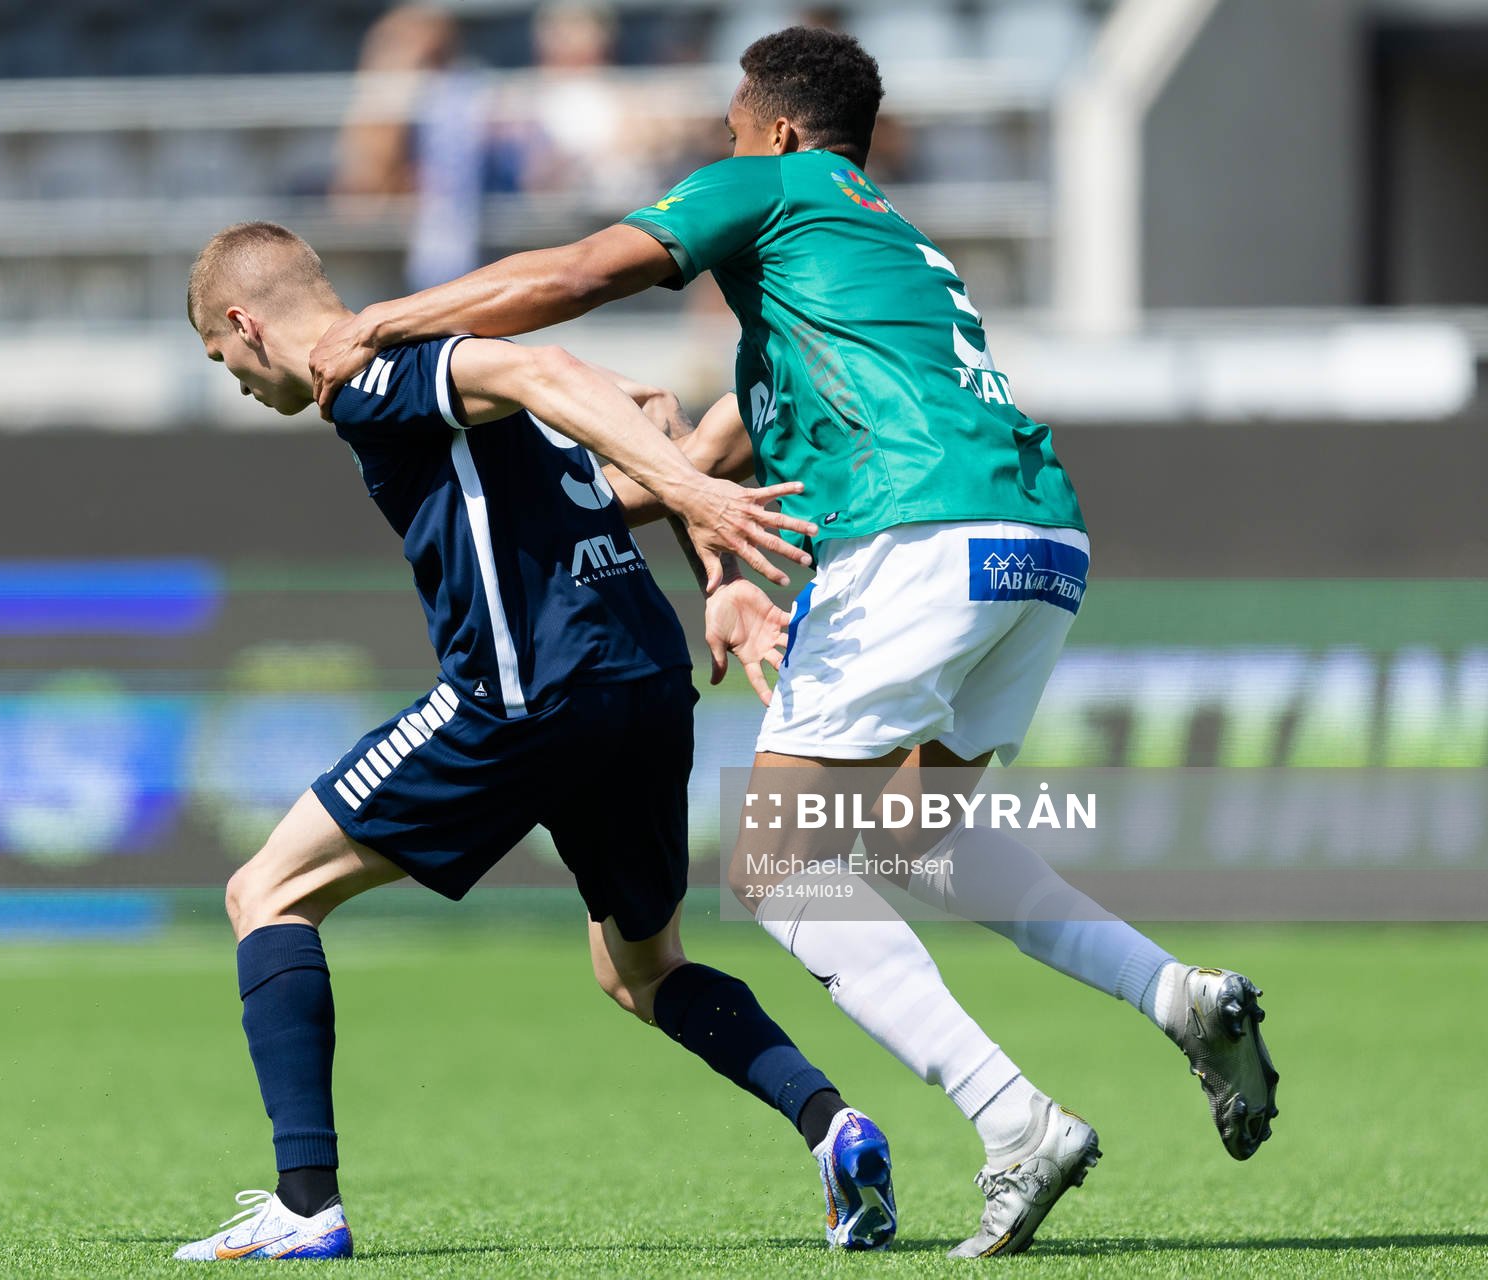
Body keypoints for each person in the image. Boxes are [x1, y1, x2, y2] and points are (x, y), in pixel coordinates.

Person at [306, 27, 1279, 1259]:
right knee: (920, 836)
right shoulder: (876, 255)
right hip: (1035, 544)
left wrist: (387, 320)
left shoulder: (775, 184)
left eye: (728, 131)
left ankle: (1014, 1118)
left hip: (918, 535)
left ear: (772, 129)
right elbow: (689, 469)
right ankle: (1178, 995)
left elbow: (581, 270)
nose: (718, 153)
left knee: (775, 864)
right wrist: (678, 551)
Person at [173, 220, 899, 1261]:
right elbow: (639, 416)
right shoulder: (436, 358)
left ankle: (304, 1204)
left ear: (246, 324)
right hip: (642, 682)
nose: (237, 382)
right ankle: (833, 1125)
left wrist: (694, 493)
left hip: (524, 693)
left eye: (221, 358)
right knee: (641, 967)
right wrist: (715, 560)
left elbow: (545, 369)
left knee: (266, 893)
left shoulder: (369, 373)